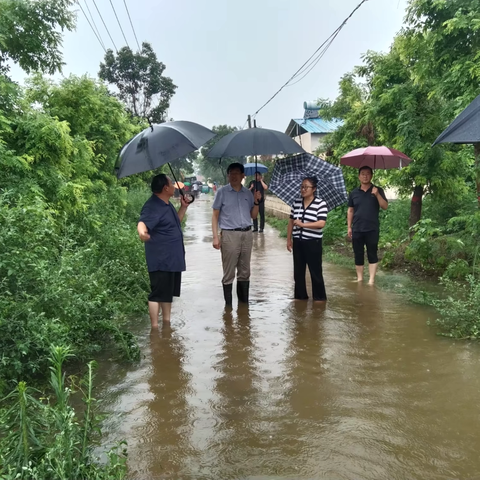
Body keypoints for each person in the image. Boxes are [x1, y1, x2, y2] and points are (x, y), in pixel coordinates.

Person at [137, 174, 190, 328]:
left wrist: (183, 207)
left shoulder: (166, 204)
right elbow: (142, 222)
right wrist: (142, 232)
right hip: (161, 258)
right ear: (165, 188)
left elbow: (175, 224)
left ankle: (166, 325)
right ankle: (154, 328)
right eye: (171, 183)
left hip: (171, 258)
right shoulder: (152, 205)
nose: (174, 186)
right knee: (157, 294)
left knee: (167, 294)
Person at [212, 162, 262, 306]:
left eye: (236, 173)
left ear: (242, 176)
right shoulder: (221, 192)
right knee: (228, 273)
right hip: (229, 235)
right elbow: (215, 215)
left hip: (247, 234)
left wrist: (257, 202)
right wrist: (216, 237)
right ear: (228, 175)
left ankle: (243, 307)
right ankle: (228, 308)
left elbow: (253, 215)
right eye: (231, 173)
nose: (233, 176)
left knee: (245, 271)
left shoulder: (248, 193)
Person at [286, 176, 328, 302]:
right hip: (298, 242)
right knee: (298, 272)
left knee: (315, 272)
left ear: (314, 189)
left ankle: (319, 299)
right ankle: (300, 298)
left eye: (306, 187)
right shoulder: (296, 203)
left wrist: (303, 224)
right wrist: (289, 239)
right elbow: (291, 221)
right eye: (302, 186)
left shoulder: (320, 204)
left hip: (313, 242)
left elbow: (321, 223)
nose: (303, 189)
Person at [347, 166, 388, 285]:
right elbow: (350, 210)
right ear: (359, 176)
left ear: (372, 175)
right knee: (358, 253)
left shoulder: (377, 190)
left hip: (372, 228)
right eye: (363, 174)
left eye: (368, 173)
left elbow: (385, 206)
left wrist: (377, 195)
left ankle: (371, 280)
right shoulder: (354, 193)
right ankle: (360, 278)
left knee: (372, 253)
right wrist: (349, 227)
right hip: (357, 228)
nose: (365, 176)